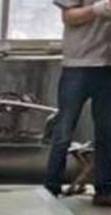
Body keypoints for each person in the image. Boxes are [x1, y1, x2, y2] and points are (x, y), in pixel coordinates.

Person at [46, 0, 111, 203]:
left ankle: (104, 190)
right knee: (63, 131)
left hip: (107, 66)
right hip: (78, 66)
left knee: (107, 132)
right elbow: (68, 17)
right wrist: (97, 9)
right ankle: (51, 187)